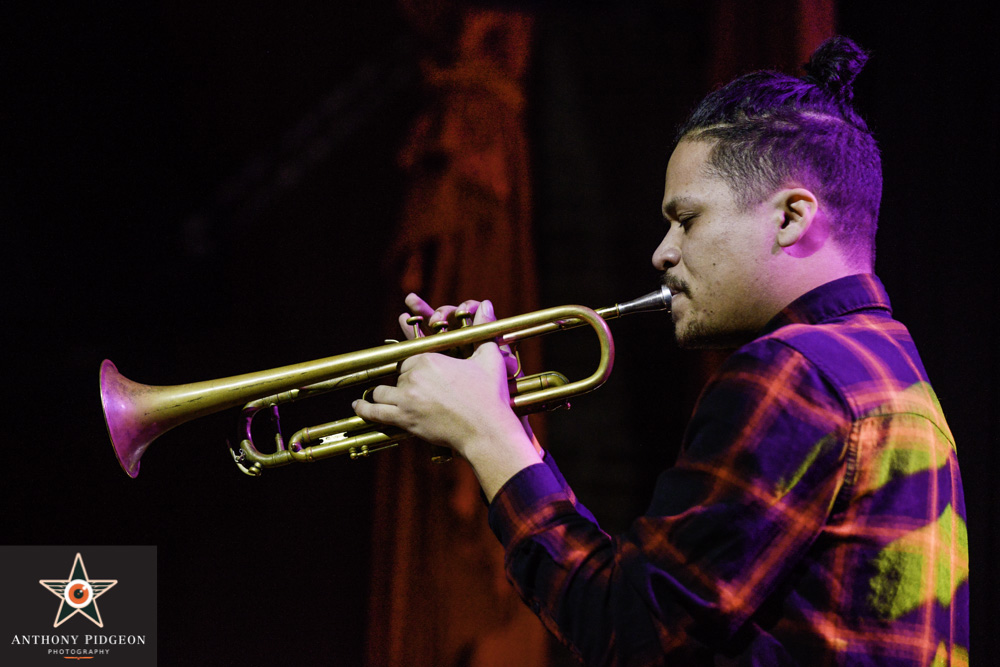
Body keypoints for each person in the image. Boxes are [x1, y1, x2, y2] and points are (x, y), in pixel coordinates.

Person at [354, 36, 969, 665]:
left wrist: (488, 438)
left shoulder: (794, 373)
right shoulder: (887, 366)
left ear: (790, 218)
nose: (663, 252)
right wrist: (501, 425)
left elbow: (630, 632)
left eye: (688, 219)